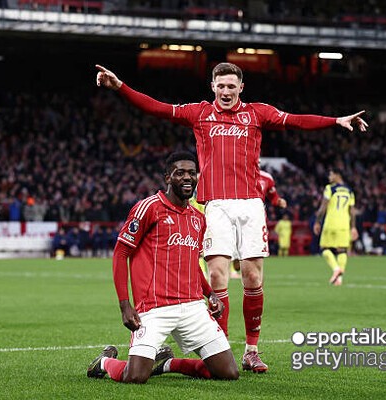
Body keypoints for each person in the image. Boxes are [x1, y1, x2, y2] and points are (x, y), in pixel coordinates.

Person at [96, 62, 368, 372]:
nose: (226, 91)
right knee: (217, 276)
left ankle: (252, 350)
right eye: (221, 86)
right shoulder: (199, 113)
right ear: (213, 87)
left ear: (241, 87)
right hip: (216, 204)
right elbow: (157, 108)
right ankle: (220, 343)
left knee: (252, 277)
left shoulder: (256, 113)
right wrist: (120, 87)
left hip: (250, 204)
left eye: (231, 86)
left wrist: (336, 120)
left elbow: (295, 121)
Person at [87, 152, 238, 383]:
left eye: (191, 173)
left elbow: (191, 264)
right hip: (154, 308)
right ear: (168, 177)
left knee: (228, 373)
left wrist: (210, 294)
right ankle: (105, 362)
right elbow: (121, 253)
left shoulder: (198, 218)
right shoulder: (148, 208)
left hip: (192, 307)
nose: (187, 178)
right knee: (135, 377)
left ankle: (166, 363)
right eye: (180, 173)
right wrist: (125, 305)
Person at [313, 168, 358, 286]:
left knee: (324, 248)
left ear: (338, 175)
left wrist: (317, 221)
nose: (329, 177)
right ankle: (339, 279)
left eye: (331, 174)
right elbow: (352, 211)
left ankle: (336, 269)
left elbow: (323, 207)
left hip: (331, 223)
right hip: (344, 224)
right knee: (342, 250)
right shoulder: (349, 191)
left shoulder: (330, 188)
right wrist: (353, 227)